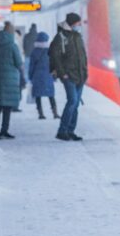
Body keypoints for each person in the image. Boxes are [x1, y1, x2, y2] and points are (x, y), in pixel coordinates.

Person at [49, 12, 87, 141]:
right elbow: (55, 56)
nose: (79, 25)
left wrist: (85, 72)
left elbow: (82, 56)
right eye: (77, 23)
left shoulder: (77, 36)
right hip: (69, 75)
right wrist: (62, 73)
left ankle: (70, 131)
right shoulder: (61, 37)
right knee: (72, 102)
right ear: (72, 23)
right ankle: (62, 130)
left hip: (80, 75)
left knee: (75, 104)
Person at [0, 22, 24, 139]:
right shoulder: (12, 45)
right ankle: (4, 130)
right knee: (7, 107)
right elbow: (18, 62)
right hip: (9, 78)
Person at [28, 32, 60, 120]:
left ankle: (40, 113)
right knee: (51, 95)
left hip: (37, 76)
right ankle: (55, 113)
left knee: (38, 95)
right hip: (48, 76)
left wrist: (30, 77)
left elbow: (31, 66)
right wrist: (55, 76)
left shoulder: (34, 52)